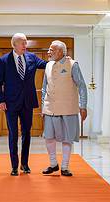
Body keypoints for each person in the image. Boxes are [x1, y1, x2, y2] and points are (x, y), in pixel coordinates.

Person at [0, 33, 47, 176]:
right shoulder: (4, 60)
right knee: (13, 134)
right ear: (14, 45)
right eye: (22, 43)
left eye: (26, 42)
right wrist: (0, 101)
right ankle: (14, 166)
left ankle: (25, 164)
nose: (25, 45)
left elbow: (46, 65)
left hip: (27, 102)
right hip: (10, 104)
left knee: (27, 133)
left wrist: (60, 60)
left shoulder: (32, 58)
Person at [41, 40, 87, 177]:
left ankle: (65, 166)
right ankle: (53, 164)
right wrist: (44, 106)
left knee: (67, 138)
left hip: (68, 108)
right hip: (50, 108)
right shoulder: (48, 65)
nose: (49, 52)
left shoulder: (73, 64)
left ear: (61, 52)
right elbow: (44, 88)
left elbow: (82, 86)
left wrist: (83, 106)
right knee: (48, 137)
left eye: (52, 50)